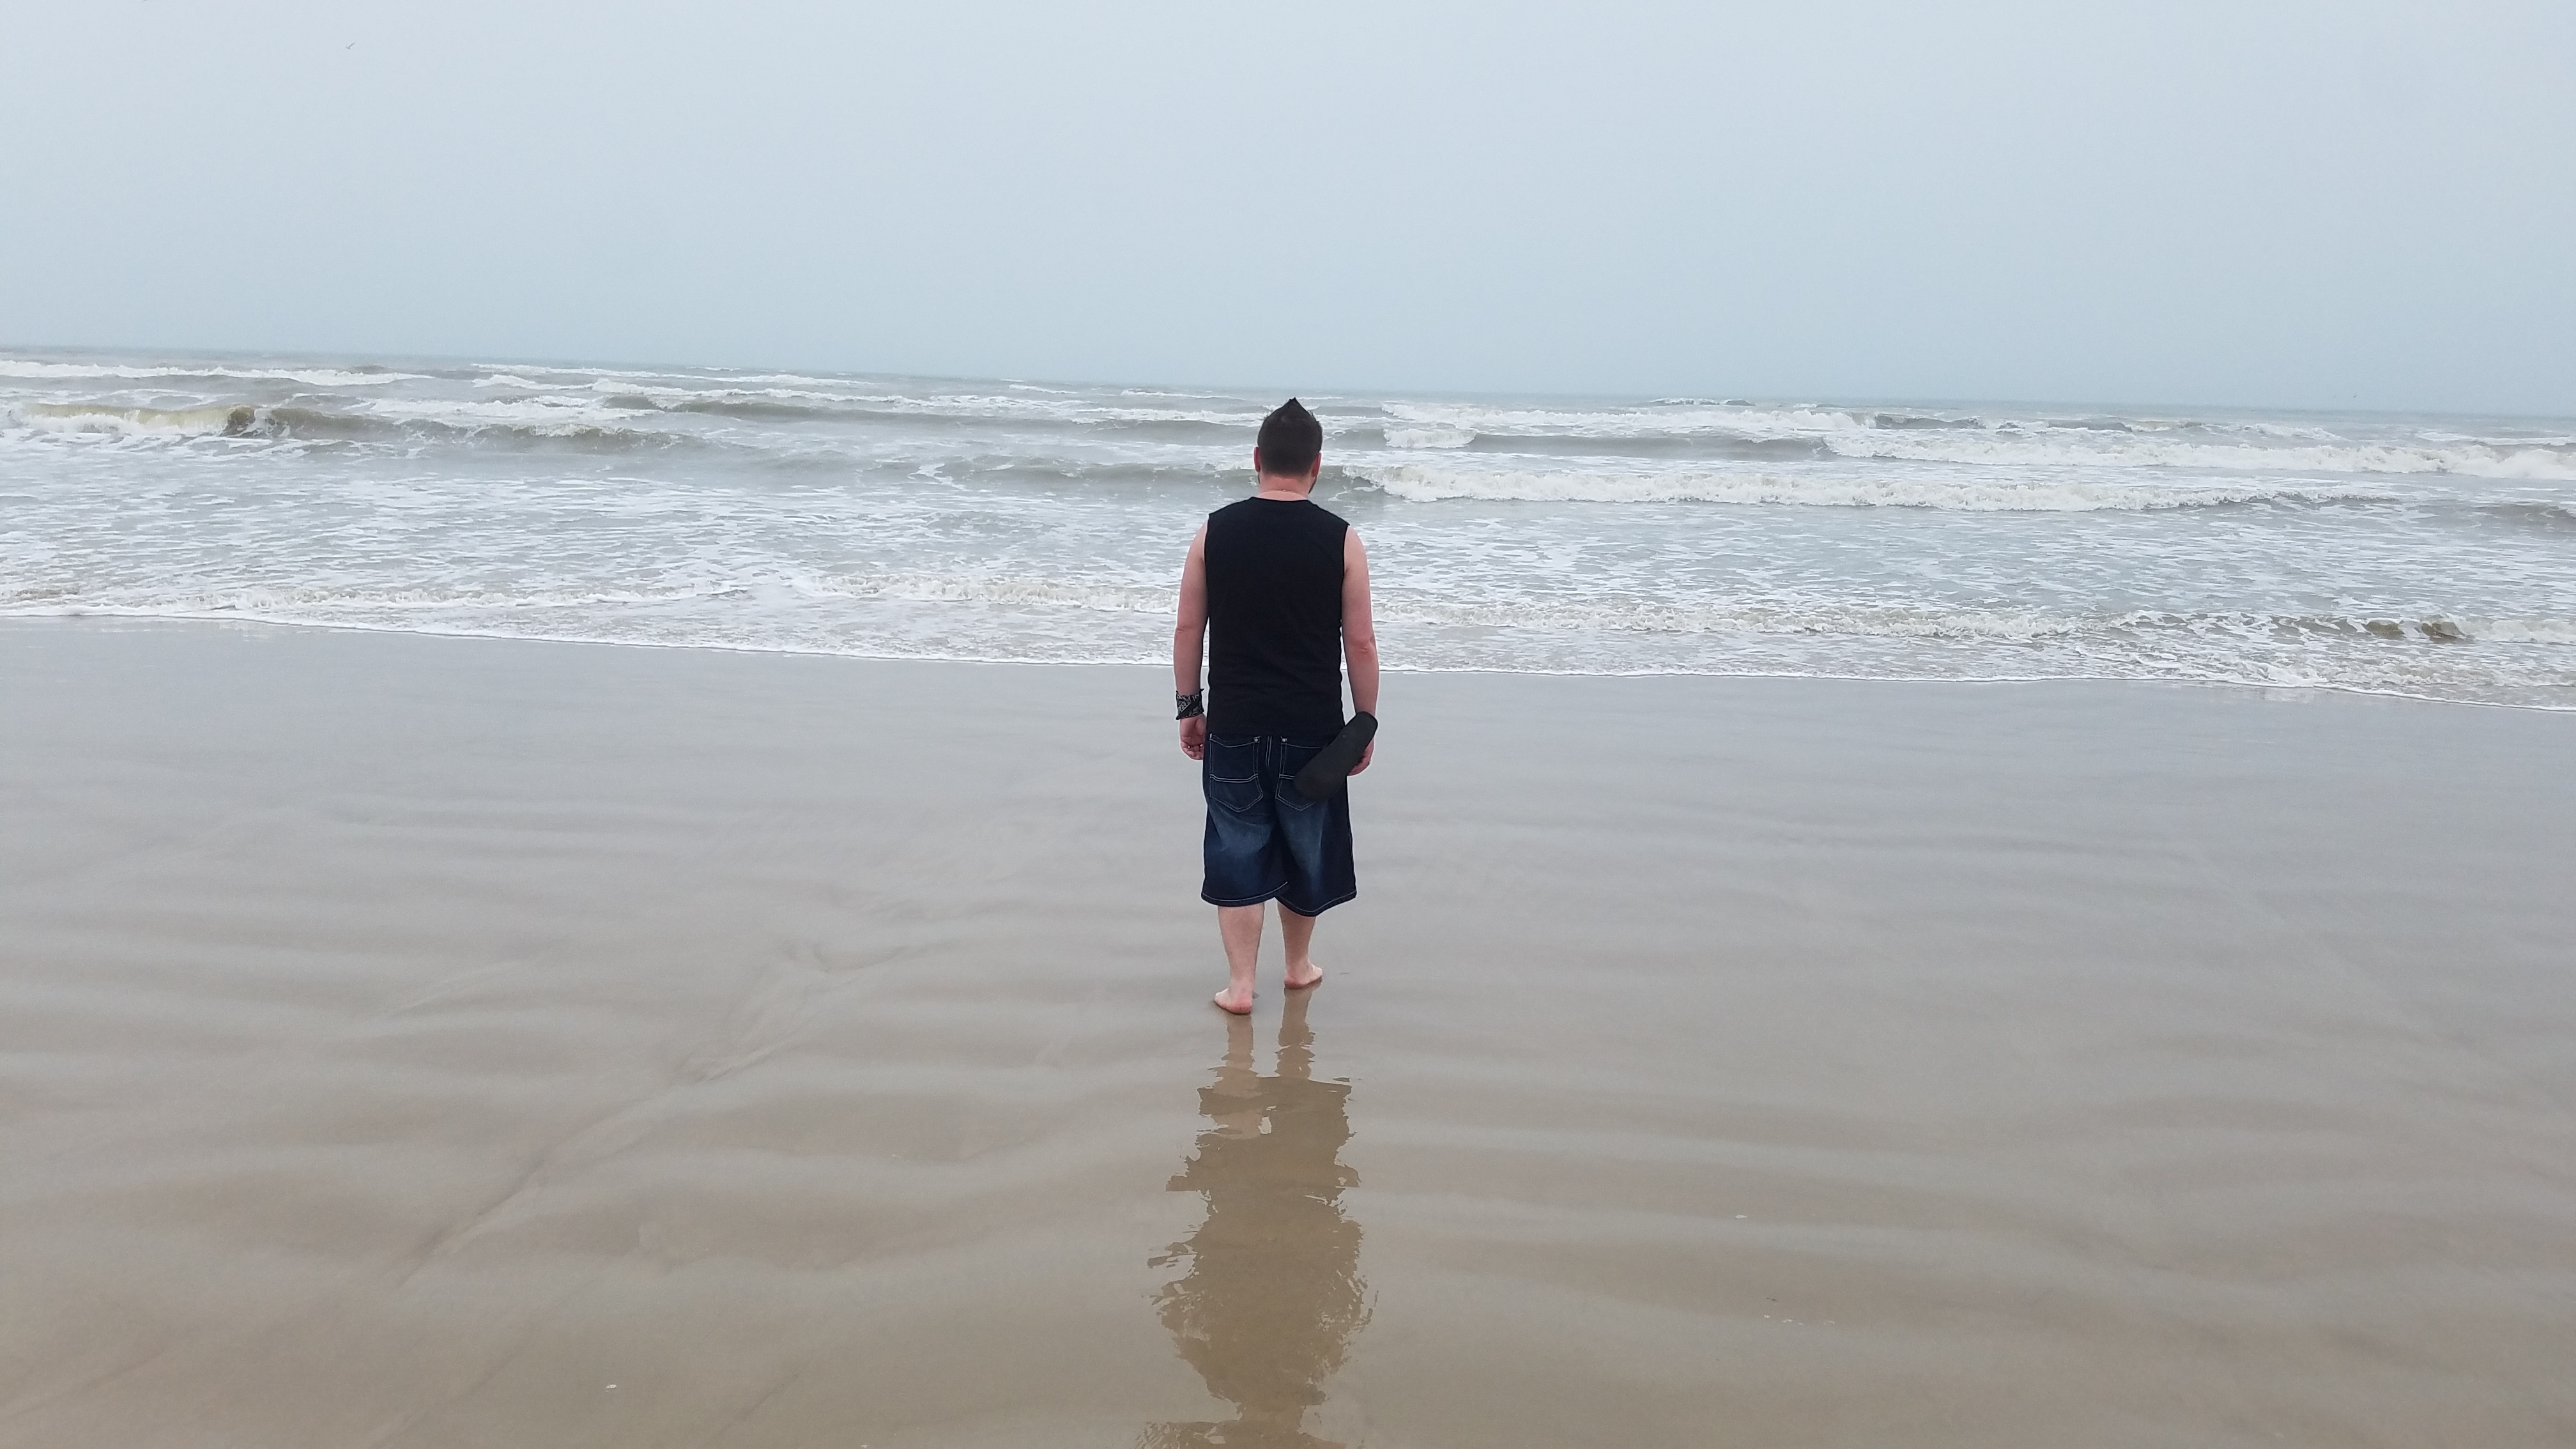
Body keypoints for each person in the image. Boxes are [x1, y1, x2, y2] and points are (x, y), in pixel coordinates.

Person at [1174, 398, 1378, 1015]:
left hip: (1235, 725)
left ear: (1257, 459)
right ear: (1317, 465)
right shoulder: (1342, 539)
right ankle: (1296, 967)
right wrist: (1364, 723)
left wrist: (1189, 707)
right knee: (1304, 846)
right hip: (1312, 730)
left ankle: (1240, 985)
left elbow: (1189, 629)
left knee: (1237, 845)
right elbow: (1361, 643)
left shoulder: (1214, 531)